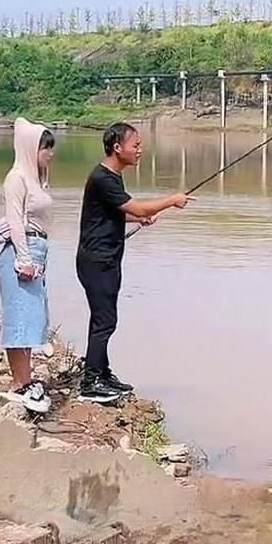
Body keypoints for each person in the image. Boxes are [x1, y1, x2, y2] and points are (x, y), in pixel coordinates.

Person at [76, 122, 191, 404]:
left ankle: (101, 372)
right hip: (97, 261)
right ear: (118, 148)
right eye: (135, 145)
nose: (140, 150)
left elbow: (115, 213)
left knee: (104, 319)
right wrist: (171, 200)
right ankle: (90, 382)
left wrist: (137, 218)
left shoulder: (112, 177)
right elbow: (136, 206)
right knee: (105, 321)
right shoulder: (103, 178)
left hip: (107, 259)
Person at [0, 118, 55, 415]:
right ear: (32, 149)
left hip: (37, 251)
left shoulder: (36, 179)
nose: (50, 154)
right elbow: (15, 221)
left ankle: (25, 380)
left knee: (31, 319)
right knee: (19, 319)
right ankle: (19, 385)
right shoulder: (17, 178)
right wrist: (24, 259)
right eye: (46, 148)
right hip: (23, 253)